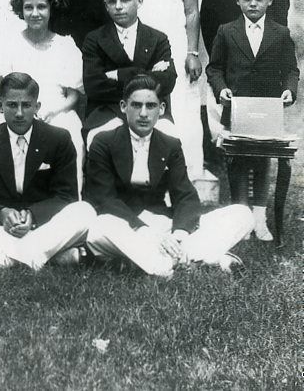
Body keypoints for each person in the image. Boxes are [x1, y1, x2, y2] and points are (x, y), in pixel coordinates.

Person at [85, 75, 253, 276]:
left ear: (161, 109)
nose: (144, 113)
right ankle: (193, 260)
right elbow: (104, 199)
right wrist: (145, 231)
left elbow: (185, 195)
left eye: (151, 106)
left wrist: (180, 233)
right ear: (123, 106)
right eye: (136, 105)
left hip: (162, 223)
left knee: (242, 214)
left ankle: (176, 258)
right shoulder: (103, 142)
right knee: (101, 227)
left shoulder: (170, 145)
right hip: (123, 225)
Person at [0, 72, 96, 269]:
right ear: (0, 106)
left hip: (44, 227)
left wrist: (33, 216)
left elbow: (66, 196)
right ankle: (47, 257)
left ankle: (1, 261)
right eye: (12, 105)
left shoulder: (59, 139)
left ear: (37, 106)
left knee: (84, 211)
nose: (19, 113)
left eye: (26, 105)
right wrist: (2, 213)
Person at [206, 0, 299, 241]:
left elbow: (292, 70)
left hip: (266, 110)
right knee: (236, 162)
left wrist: (289, 92)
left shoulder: (280, 33)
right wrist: (221, 90)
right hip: (236, 110)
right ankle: (241, 218)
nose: (253, 3)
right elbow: (214, 69)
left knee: (261, 162)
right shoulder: (226, 31)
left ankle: (259, 217)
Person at [117, 0, 206, 174]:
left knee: (184, 107)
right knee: (142, 104)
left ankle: (189, 175)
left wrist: (192, 52)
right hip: (138, 44)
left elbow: (191, 11)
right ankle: (142, 175)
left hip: (177, 46)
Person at [200, 0, 291, 142]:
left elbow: (280, 17)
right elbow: (208, 23)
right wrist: (223, 60)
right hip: (231, 62)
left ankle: (260, 169)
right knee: (230, 130)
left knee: (262, 128)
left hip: (265, 62)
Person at [0, 0, 85, 183]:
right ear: (21, 10)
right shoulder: (10, 43)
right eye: (28, 7)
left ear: (51, 8)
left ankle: (69, 199)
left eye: (41, 7)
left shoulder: (66, 45)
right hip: (18, 108)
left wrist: (53, 112)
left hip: (57, 111)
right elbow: (3, 89)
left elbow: (73, 95)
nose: (35, 13)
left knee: (70, 133)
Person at [81, 0, 178, 138]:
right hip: (108, 110)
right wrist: (146, 74)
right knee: (101, 140)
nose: (118, 6)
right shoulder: (94, 39)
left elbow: (167, 81)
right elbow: (93, 86)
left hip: (151, 110)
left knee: (169, 138)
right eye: (112, 2)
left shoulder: (157, 38)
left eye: (125, 0)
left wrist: (119, 74)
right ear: (106, 5)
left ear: (139, 2)